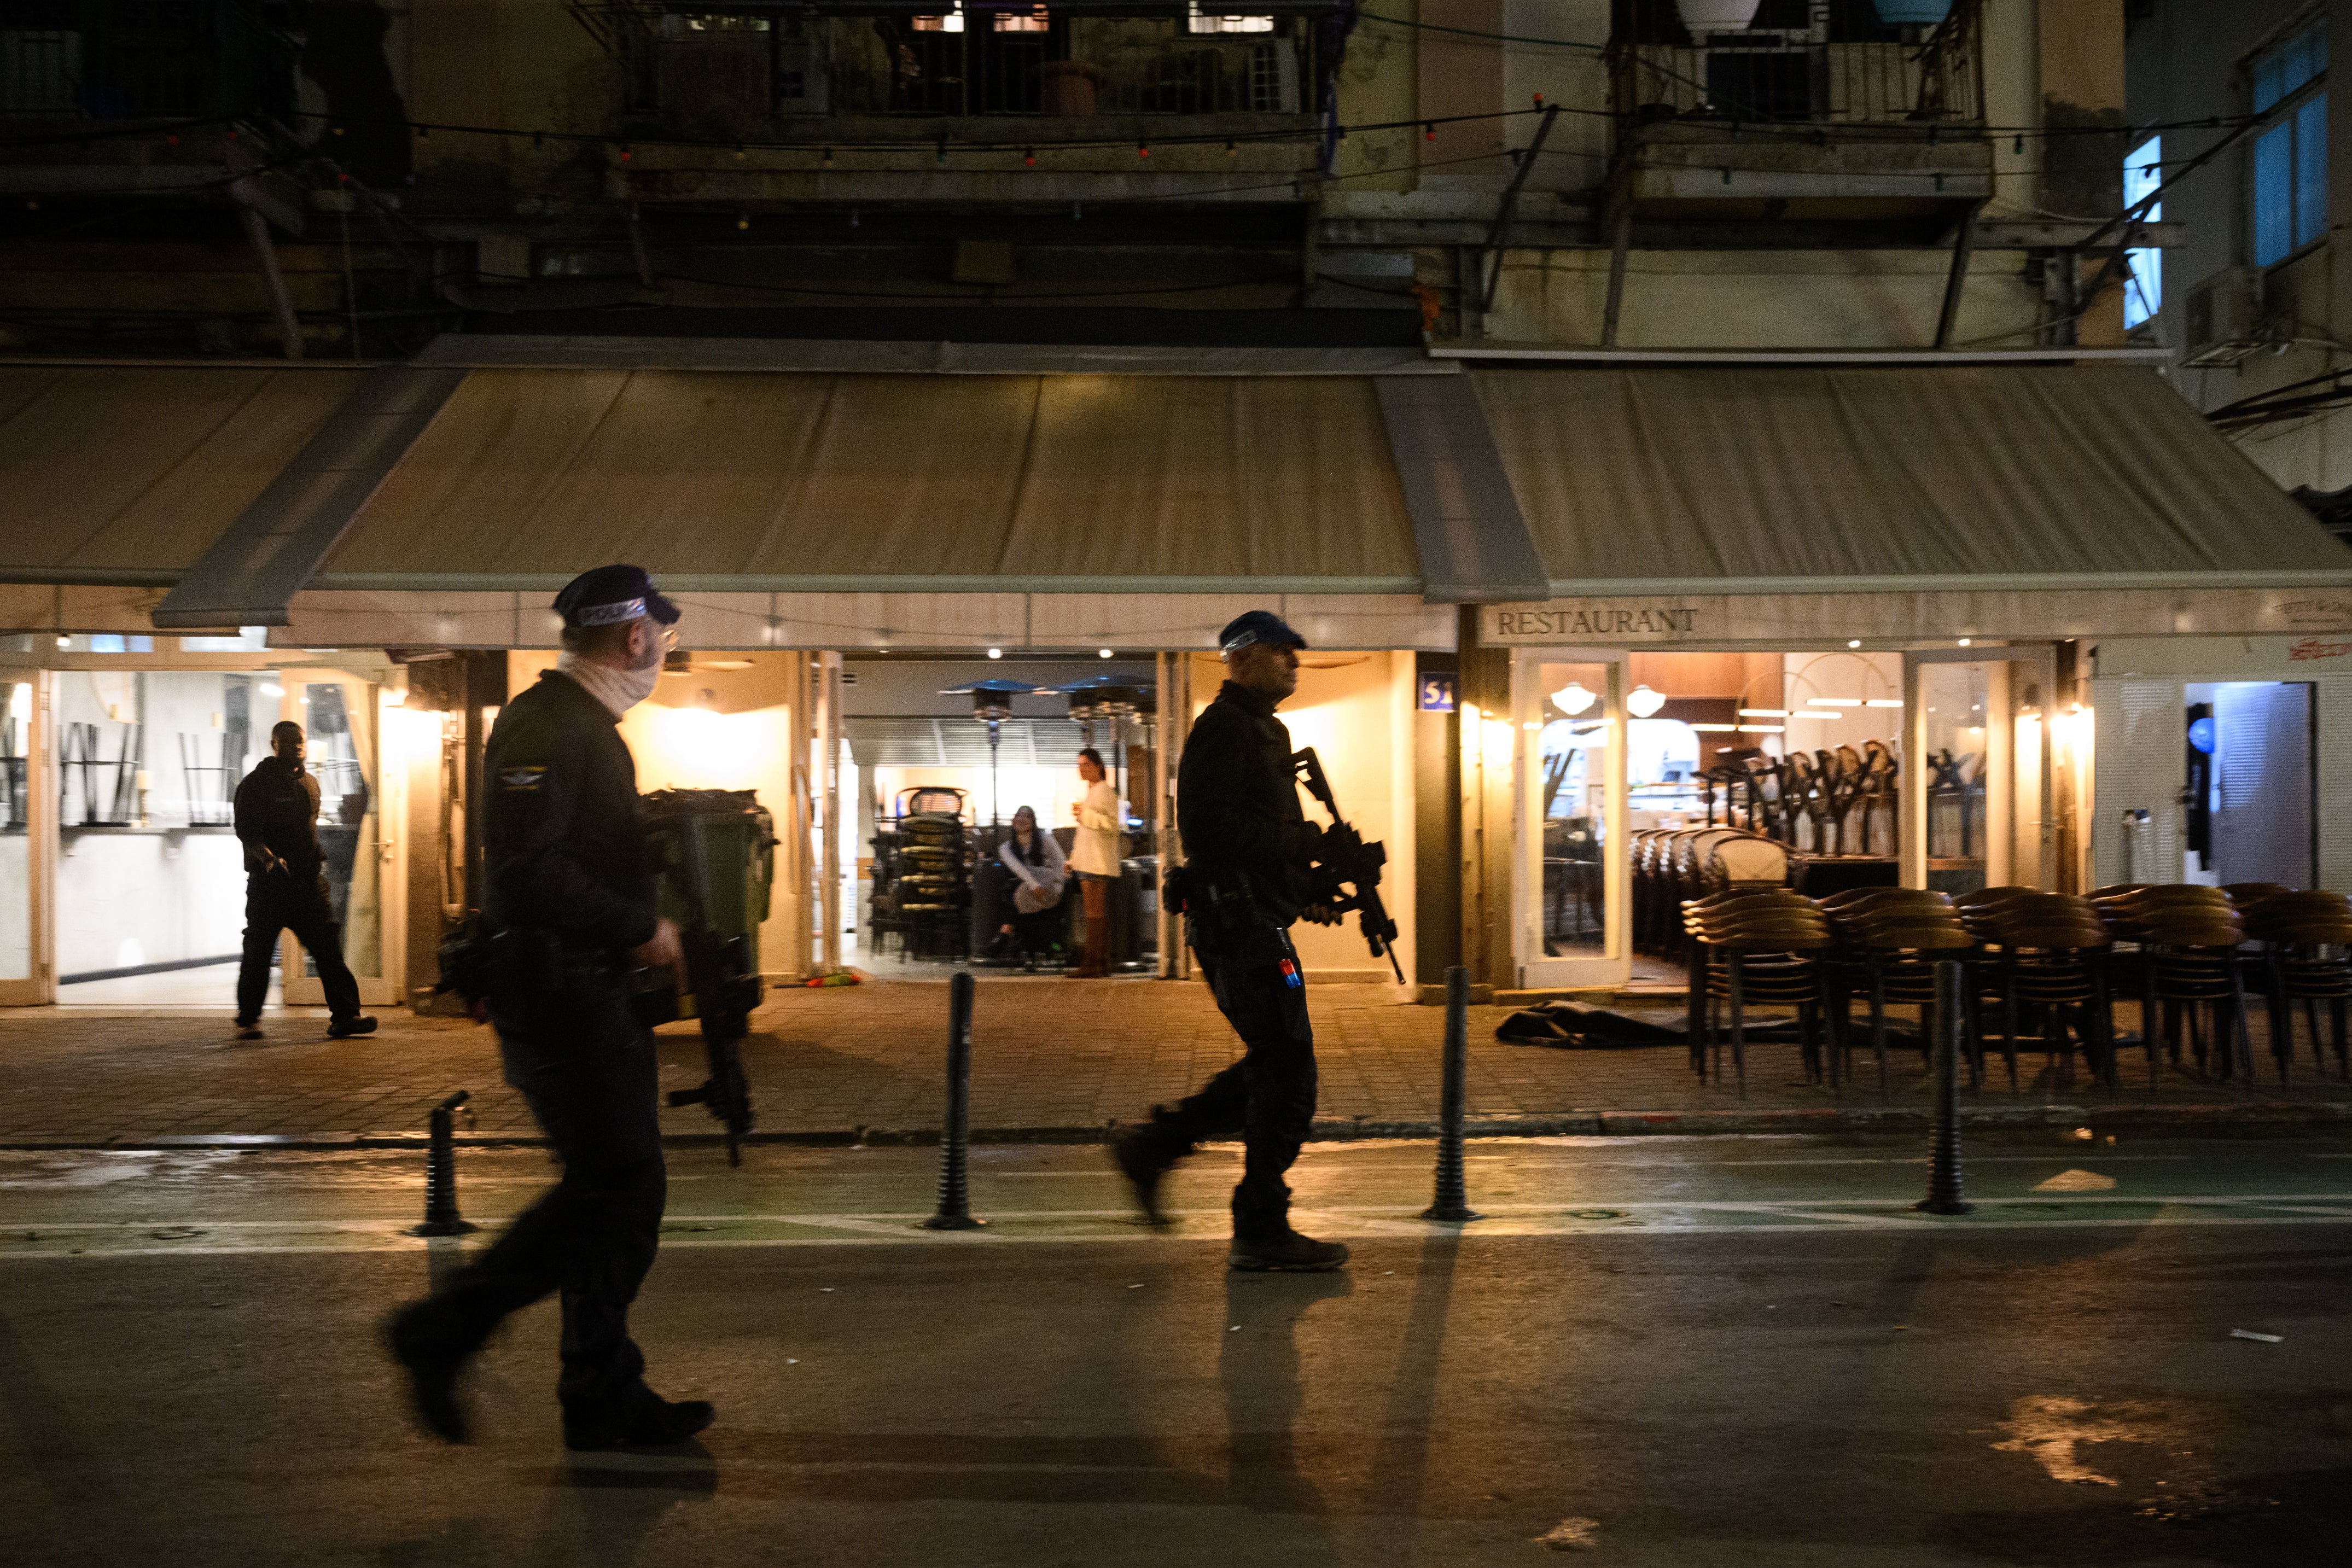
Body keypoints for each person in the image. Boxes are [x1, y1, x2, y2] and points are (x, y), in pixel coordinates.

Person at [385, 564, 713, 1452]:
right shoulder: (545, 724)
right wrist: (639, 923)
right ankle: (447, 1328)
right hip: (559, 991)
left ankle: (599, 1387)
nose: (662, 653)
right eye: (664, 638)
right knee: (613, 1189)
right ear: (636, 635)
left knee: (621, 1191)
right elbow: (527, 871)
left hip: (587, 990)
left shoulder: (582, 726)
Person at [1107, 611, 1349, 1272]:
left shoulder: (1265, 730)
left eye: (1295, 655)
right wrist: (1305, 845)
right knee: (1287, 1069)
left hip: (1257, 923)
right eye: (1281, 653)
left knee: (1279, 1064)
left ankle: (1158, 1148)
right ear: (1240, 659)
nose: (1294, 663)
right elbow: (1211, 833)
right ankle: (1256, 1224)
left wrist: (1314, 884)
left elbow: (1259, 840)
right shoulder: (1224, 729)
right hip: (1235, 928)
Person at [231, 720, 374, 1041]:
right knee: (259, 953)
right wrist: (269, 859)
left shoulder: (310, 782)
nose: (298, 745)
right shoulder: (255, 785)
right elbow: (247, 832)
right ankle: (249, 1019)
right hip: (269, 887)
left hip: (308, 884)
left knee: (328, 950)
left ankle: (346, 1017)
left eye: (301, 740)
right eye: (290, 741)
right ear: (274, 744)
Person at [1067, 747, 1122, 977]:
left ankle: (1094, 963)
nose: (1082, 769)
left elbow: (1111, 825)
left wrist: (1084, 815)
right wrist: (1072, 860)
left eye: (1086, 764)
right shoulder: (1093, 792)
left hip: (1095, 863)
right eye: (1079, 765)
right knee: (1094, 914)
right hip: (1089, 861)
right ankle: (1098, 962)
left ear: (1098, 766)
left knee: (1094, 914)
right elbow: (1087, 835)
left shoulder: (1104, 792)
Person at [995, 804, 1068, 967]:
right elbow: (1018, 869)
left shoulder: (1046, 839)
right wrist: (1034, 885)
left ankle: (1007, 934)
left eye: (1026, 816)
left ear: (1033, 821)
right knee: (1017, 892)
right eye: (1018, 815)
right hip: (1029, 888)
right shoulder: (1006, 848)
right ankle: (1032, 953)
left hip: (1051, 886)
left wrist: (1044, 884)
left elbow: (1061, 866)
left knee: (1013, 890)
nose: (1021, 819)